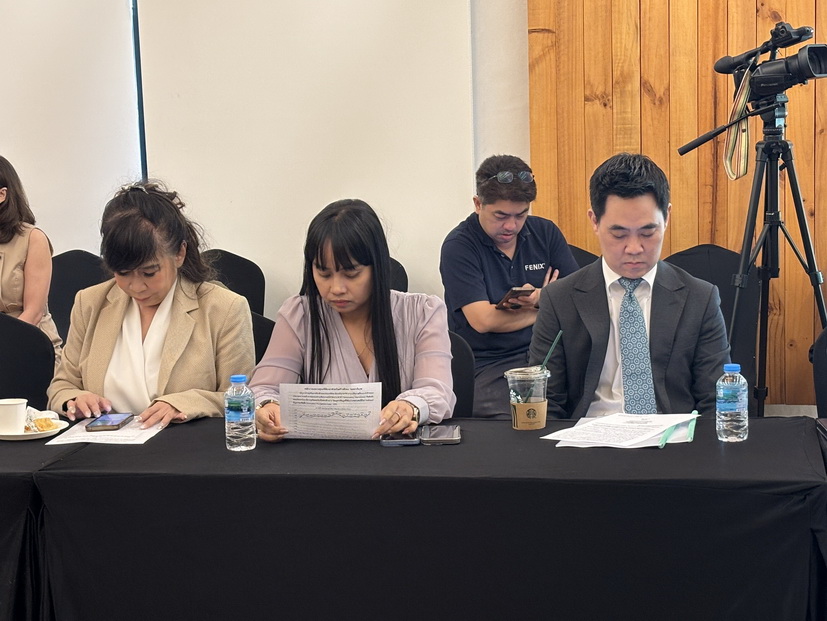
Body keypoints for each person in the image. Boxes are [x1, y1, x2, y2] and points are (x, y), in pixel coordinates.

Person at [528, 153, 730, 419]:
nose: (634, 248)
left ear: (667, 217)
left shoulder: (700, 298)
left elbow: (716, 401)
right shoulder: (559, 299)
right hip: (588, 435)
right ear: (594, 221)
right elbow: (545, 401)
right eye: (619, 234)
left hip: (671, 436)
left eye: (648, 232)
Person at [47, 181, 255, 429]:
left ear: (179, 253)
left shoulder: (223, 308)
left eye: (149, 272)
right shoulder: (90, 302)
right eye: (123, 273)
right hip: (103, 445)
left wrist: (184, 403)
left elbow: (241, 398)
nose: (136, 287)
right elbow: (62, 386)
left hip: (183, 445)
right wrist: (75, 399)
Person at [252, 198, 454, 442]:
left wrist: (410, 406)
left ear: (377, 267)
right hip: (321, 458)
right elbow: (263, 388)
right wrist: (267, 407)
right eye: (324, 273)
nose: (336, 288)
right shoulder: (300, 315)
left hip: (399, 457)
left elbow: (437, 390)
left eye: (351, 273)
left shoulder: (423, 312)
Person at [440, 154, 579, 418]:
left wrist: (540, 297)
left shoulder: (545, 233)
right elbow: (484, 321)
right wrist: (548, 306)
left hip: (549, 353)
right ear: (478, 204)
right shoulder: (459, 247)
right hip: (489, 364)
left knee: (590, 404)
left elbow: (580, 298)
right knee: (525, 419)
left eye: (521, 215)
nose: (511, 226)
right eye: (501, 215)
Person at [0, 155, 63, 363]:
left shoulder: (33, 238)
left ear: (2, 195)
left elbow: (34, 312)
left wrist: (4, 347)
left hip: (29, 345)